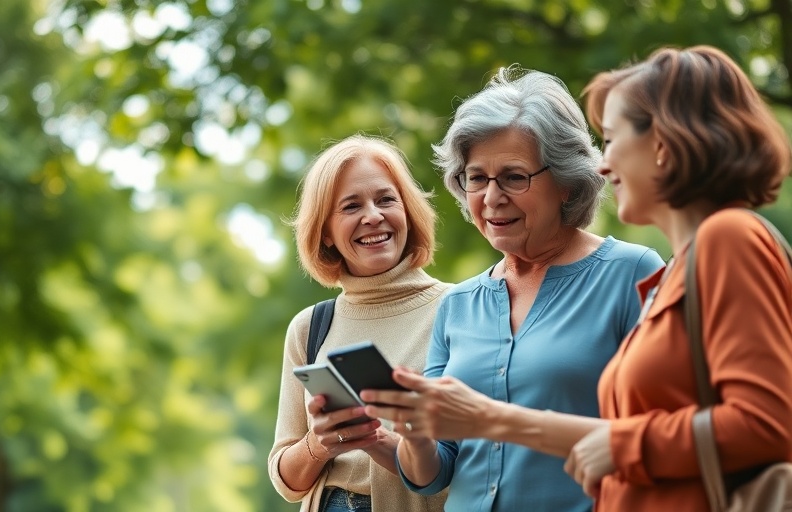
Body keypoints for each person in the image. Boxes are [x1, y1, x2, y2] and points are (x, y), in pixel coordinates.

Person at [363, 45, 792, 511]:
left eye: (611, 140)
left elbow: (757, 424)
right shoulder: (462, 302)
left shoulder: (701, 249)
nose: (603, 165)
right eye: (476, 179)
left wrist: (504, 422)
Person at [358, 67, 663, 511]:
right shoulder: (458, 304)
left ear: (565, 182)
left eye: (514, 177)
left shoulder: (631, 273)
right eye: (476, 178)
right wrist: (413, 432)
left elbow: (660, 432)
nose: (491, 197)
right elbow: (434, 473)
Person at [268, 134, 453, 512]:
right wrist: (318, 445)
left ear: (408, 210)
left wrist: (375, 438)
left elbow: (479, 460)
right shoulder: (310, 327)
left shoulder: (461, 307)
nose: (373, 216)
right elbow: (286, 481)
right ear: (325, 232)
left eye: (386, 199)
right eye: (351, 206)